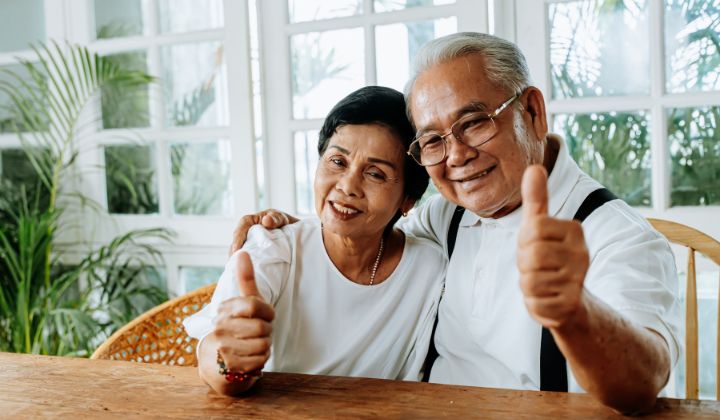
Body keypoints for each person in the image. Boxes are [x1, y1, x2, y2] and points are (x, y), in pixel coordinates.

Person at [230, 33, 680, 413]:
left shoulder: (617, 236)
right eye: (433, 140)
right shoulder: (447, 214)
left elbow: (644, 382)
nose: (458, 155)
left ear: (533, 112)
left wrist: (573, 311)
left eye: (474, 122)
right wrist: (294, 232)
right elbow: (373, 216)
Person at [184, 86, 446, 396]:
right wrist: (231, 361)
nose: (348, 186)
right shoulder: (272, 248)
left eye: (375, 173)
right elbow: (215, 356)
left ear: (408, 200)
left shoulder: (430, 268)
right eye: (337, 162)